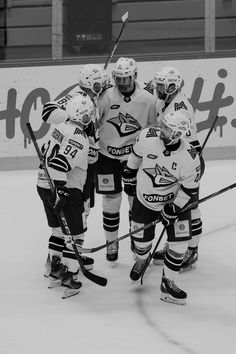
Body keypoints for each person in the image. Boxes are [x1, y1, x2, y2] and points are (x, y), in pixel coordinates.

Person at [124, 111, 201, 305]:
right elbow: (135, 156)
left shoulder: (190, 157)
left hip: (175, 204)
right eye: (163, 125)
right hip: (145, 201)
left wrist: (174, 208)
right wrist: (129, 174)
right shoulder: (147, 137)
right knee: (140, 245)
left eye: (167, 128)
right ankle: (142, 258)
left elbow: (190, 189)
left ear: (177, 134)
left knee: (179, 245)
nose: (161, 129)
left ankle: (168, 283)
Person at [42, 64, 109, 272]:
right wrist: (77, 120)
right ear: (91, 84)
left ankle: (64, 258)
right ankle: (70, 259)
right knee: (78, 213)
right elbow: (47, 112)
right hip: (74, 164)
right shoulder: (77, 98)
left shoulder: (94, 96)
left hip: (86, 163)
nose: (105, 85)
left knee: (82, 211)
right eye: (101, 83)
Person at [95, 57, 157, 263]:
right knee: (111, 200)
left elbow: (153, 127)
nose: (121, 83)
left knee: (135, 201)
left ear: (135, 76)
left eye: (125, 78)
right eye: (117, 78)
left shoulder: (148, 98)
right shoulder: (105, 97)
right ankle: (111, 243)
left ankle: (136, 244)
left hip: (134, 158)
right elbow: (94, 122)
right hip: (107, 156)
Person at [37, 94, 95, 296]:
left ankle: (54, 271)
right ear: (85, 116)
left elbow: (47, 155)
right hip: (65, 190)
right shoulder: (79, 136)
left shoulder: (60, 126)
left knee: (58, 232)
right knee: (76, 235)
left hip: (43, 184)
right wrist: (61, 189)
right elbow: (59, 163)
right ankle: (70, 276)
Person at [151, 66, 204, 271]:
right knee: (174, 206)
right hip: (174, 161)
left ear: (172, 87)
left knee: (189, 208)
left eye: (160, 86)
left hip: (188, 162)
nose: (157, 88)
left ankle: (191, 250)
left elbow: (184, 145)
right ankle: (175, 246)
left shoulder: (178, 109)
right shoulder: (166, 99)